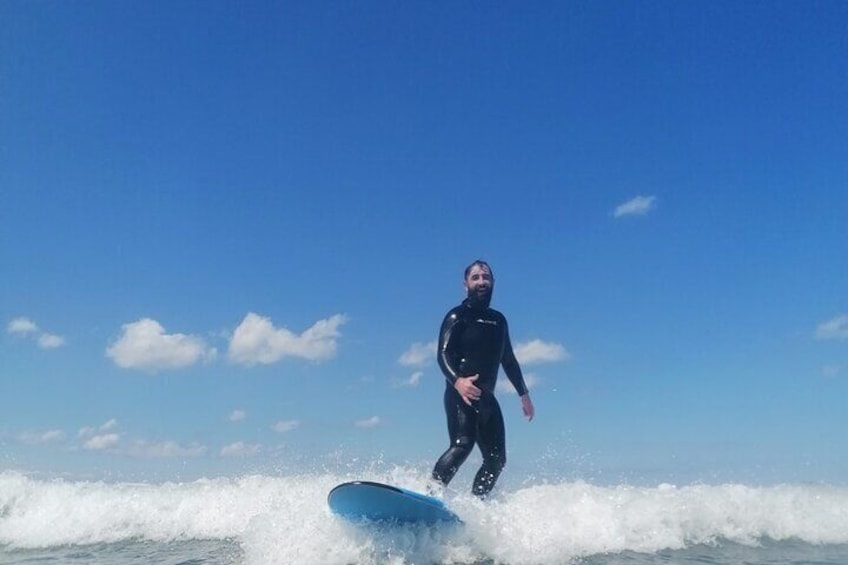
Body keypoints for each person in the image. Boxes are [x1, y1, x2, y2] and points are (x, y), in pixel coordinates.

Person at [431, 259, 535, 498]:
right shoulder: (457, 316)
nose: (481, 281)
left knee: (497, 459)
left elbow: (508, 359)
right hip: (461, 395)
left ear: (493, 282)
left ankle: (477, 503)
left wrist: (524, 394)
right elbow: (442, 354)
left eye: (485, 277)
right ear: (465, 284)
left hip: (487, 398)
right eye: (475, 277)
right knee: (462, 445)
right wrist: (458, 381)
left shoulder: (499, 321)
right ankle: (430, 496)